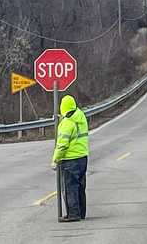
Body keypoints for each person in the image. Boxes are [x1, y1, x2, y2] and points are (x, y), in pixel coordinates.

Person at [52, 95, 89, 223]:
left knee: (70, 188)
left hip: (70, 159)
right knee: (80, 186)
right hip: (82, 157)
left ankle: (73, 214)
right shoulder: (81, 117)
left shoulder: (66, 124)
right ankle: (81, 212)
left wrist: (55, 160)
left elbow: (62, 146)